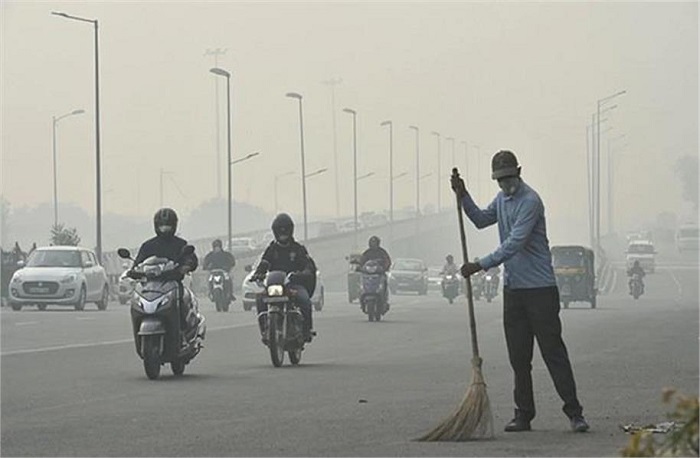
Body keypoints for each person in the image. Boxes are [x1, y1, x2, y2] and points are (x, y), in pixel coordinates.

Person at [451, 149, 589, 433]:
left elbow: (515, 243)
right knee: (519, 358)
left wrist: (480, 265)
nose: (505, 184)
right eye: (500, 180)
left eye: (508, 178)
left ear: (519, 172)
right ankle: (523, 414)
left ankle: (574, 413)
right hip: (514, 290)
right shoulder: (501, 199)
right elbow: (480, 219)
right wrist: (463, 196)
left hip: (540, 290)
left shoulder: (530, 202)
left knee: (553, 353)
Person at [130, 208, 200, 336]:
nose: (165, 229)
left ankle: (185, 331)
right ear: (156, 226)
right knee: (135, 302)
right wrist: (133, 271)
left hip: (172, 282)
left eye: (168, 226)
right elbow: (138, 262)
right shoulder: (148, 245)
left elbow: (191, 259)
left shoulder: (181, 244)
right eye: (162, 226)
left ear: (174, 226)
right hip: (150, 285)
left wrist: (186, 266)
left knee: (183, 300)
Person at [251, 213, 317, 343]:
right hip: (274, 285)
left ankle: (306, 330)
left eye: (285, 230)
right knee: (260, 299)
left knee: (305, 301)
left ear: (290, 230)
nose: (283, 233)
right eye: (280, 231)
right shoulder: (271, 249)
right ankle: (265, 329)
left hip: (293, 284)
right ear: (275, 231)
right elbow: (264, 263)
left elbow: (307, 264)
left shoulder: (298, 249)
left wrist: (305, 272)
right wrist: (258, 273)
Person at [359, 235, 392, 305]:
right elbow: (362, 261)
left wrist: (385, 268)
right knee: (361, 280)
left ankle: (384, 298)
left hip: (379, 273)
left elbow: (387, 260)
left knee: (384, 281)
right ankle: (362, 296)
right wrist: (360, 267)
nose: (373, 244)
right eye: (372, 243)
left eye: (375, 243)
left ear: (378, 243)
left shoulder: (382, 252)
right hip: (368, 274)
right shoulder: (367, 252)